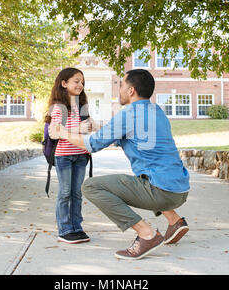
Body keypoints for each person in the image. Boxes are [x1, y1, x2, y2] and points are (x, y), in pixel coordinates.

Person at [49, 68, 190, 260]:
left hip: (160, 192)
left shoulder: (129, 114)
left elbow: (93, 144)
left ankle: (146, 234)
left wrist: (63, 133)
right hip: (180, 190)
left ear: (131, 91)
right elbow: (119, 135)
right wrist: (97, 127)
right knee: (148, 177)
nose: (119, 90)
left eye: (121, 85)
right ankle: (174, 220)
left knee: (91, 187)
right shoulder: (156, 111)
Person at [45, 67, 94, 244]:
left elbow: (91, 126)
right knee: (65, 193)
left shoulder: (82, 106)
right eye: (76, 81)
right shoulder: (58, 107)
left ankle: (77, 227)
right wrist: (78, 129)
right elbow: (54, 132)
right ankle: (65, 229)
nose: (80, 84)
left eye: (82, 82)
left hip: (81, 155)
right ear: (64, 83)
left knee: (77, 193)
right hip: (64, 156)